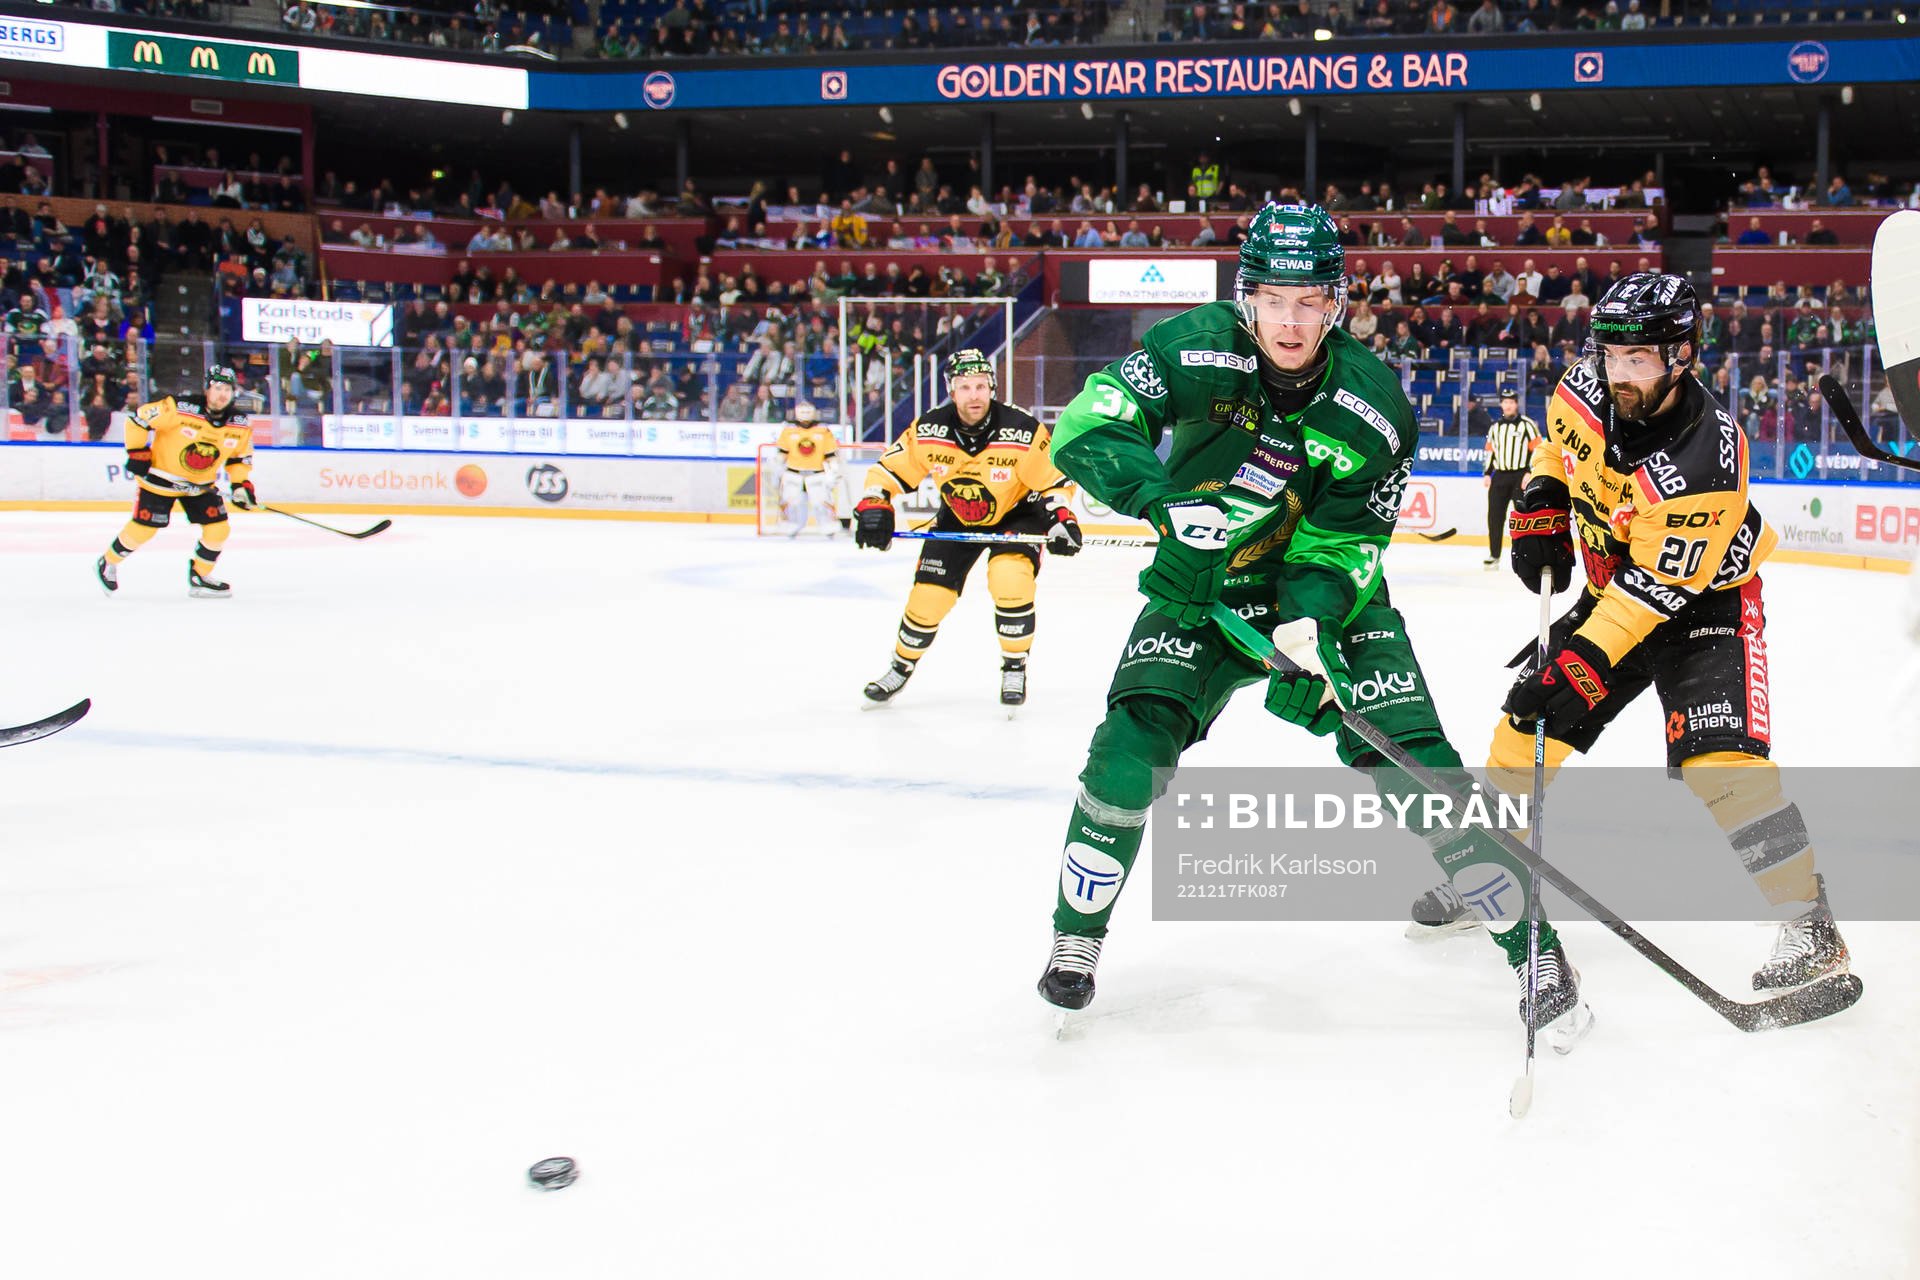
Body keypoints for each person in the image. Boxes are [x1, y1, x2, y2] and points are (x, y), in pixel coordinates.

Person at [1031, 204, 1578, 1038]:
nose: (1290, 322)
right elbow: (1089, 422)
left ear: (1337, 303)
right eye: (1273, 300)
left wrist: (1308, 629)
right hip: (1202, 583)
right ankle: (1076, 940)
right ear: (1246, 298)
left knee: (1417, 765)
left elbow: (1344, 544)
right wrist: (1163, 503)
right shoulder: (1192, 345)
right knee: (1128, 749)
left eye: (1310, 301)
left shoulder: (1376, 407)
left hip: (1331, 602)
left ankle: (1532, 947)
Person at [1414, 273, 1854, 998]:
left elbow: (1653, 594)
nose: (1618, 373)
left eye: (1639, 360)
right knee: (1523, 730)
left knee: (1722, 769)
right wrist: (1542, 498)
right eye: (1612, 356)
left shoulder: (1707, 461)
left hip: (1703, 607)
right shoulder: (1584, 385)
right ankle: (1490, 875)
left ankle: (1810, 921)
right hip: (1613, 589)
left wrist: (1580, 661)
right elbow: (1557, 446)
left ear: (1682, 355)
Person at [853, 349, 1080, 710]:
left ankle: (1014, 667)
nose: (974, 395)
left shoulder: (1021, 429)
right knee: (928, 598)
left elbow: (1054, 480)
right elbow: (889, 470)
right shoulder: (929, 429)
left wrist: (1061, 518)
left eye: (980, 386)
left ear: (992, 387)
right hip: (958, 516)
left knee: (1010, 581)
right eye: (964, 387)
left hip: (1018, 515)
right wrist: (874, 502)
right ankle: (900, 667)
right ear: (952, 390)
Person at [95, 364, 256, 599]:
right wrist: (137, 452)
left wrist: (241, 485)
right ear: (207, 389)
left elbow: (239, 458)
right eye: (217, 388)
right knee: (145, 529)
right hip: (160, 480)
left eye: (228, 390)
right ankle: (108, 561)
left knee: (219, 529)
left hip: (200, 486)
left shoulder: (239, 423)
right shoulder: (179, 408)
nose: (222, 394)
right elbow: (138, 420)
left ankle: (200, 576)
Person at [1481, 386, 1539, 569]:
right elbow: (1490, 452)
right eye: (1505, 402)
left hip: (1520, 476)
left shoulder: (1527, 425)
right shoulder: (1495, 428)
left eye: (1511, 402)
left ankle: (1525, 555)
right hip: (1500, 477)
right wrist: (1487, 473)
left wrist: (1530, 472)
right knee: (1494, 517)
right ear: (1501, 404)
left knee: (1523, 517)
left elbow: (1538, 450)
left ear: (1516, 404)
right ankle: (1494, 555)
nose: (1508, 405)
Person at [773, 402, 843, 537]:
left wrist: (834, 469)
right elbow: (782, 453)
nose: (805, 415)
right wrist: (777, 468)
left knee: (821, 502)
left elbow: (830, 454)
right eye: (802, 412)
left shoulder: (823, 430)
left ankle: (827, 526)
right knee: (792, 503)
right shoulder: (788, 430)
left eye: (808, 412)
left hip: (816, 473)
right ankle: (791, 525)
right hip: (793, 473)